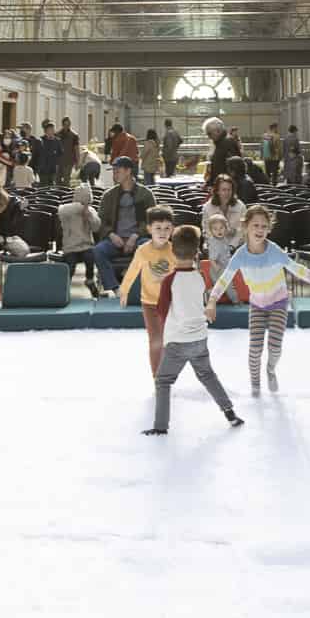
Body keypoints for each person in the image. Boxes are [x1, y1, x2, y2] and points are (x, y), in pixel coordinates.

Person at [207, 205, 310, 395]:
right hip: (257, 305)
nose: (260, 230)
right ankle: (255, 386)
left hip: (279, 303)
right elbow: (224, 279)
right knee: (255, 349)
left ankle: (270, 370)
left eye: (264, 226)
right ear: (246, 227)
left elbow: (298, 269)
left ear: (269, 228)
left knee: (274, 347)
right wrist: (212, 301)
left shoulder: (274, 251)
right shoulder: (240, 255)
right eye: (255, 225)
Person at [145, 226, 243, 436]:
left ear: (173, 251)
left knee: (163, 381)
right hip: (199, 338)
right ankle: (230, 412)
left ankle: (161, 426)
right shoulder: (200, 276)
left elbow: (161, 310)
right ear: (197, 252)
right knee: (207, 375)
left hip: (178, 342)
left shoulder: (169, 280)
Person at [112, 206, 177, 375]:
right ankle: (158, 377)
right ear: (149, 229)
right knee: (155, 340)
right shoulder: (143, 250)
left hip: (170, 304)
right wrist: (124, 290)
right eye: (158, 228)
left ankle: (167, 373)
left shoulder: (174, 250)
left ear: (172, 229)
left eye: (167, 228)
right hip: (149, 303)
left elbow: (183, 274)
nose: (163, 232)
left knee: (168, 340)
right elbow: (133, 270)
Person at [92, 157, 156, 295]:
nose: (114, 174)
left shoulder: (145, 194)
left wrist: (135, 235)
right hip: (115, 239)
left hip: (138, 238)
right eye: (114, 171)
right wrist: (111, 235)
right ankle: (115, 288)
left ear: (128, 171)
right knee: (98, 251)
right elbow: (101, 221)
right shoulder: (109, 195)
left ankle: (143, 286)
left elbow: (152, 221)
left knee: (148, 248)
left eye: (117, 171)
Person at [201, 172, 246, 293]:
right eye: (223, 190)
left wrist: (231, 246)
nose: (226, 193)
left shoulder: (240, 206)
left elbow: (241, 231)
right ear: (217, 191)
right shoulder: (207, 207)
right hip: (215, 243)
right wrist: (217, 244)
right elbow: (206, 230)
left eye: (229, 190)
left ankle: (235, 289)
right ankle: (217, 288)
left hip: (235, 244)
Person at [56, 180, 100, 295]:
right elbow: (61, 211)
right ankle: (64, 287)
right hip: (70, 247)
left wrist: (89, 216)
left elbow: (96, 227)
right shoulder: (67, 209)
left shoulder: (91, 211)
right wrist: (80, 207)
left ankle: (90, 280)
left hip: (86, 245)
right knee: (71, 264)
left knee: (90, 257)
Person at [37, 120, 63, 187]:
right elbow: (37, 154)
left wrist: (57, 163)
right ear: (46, 131)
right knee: (43, 186)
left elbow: (60, 153)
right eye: (49, 130)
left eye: (52, 129)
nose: (51, 131)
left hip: (53, 168)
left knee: (51, 186)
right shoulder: (41, 140)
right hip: (43, 168)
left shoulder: (57, 141)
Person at [58, 116, 81, 188]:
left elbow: (77, 149)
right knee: (57, 180)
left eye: (68, 124)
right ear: (62, 124)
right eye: (65, 124)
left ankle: (65, 193)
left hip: (69, 161)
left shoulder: (74, 135)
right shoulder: (57, 134)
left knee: (66, 180)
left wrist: (78, 162)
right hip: (58, 161)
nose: (66, 126)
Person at [282, 125, 303, 190]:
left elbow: (283, 149)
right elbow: (298, 150)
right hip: (294, 158)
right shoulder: (295, 139)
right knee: (295, 174)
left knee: (288, 175)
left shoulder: (285, 138)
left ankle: (288, 188)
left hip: (287, 158)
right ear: (294, 131)